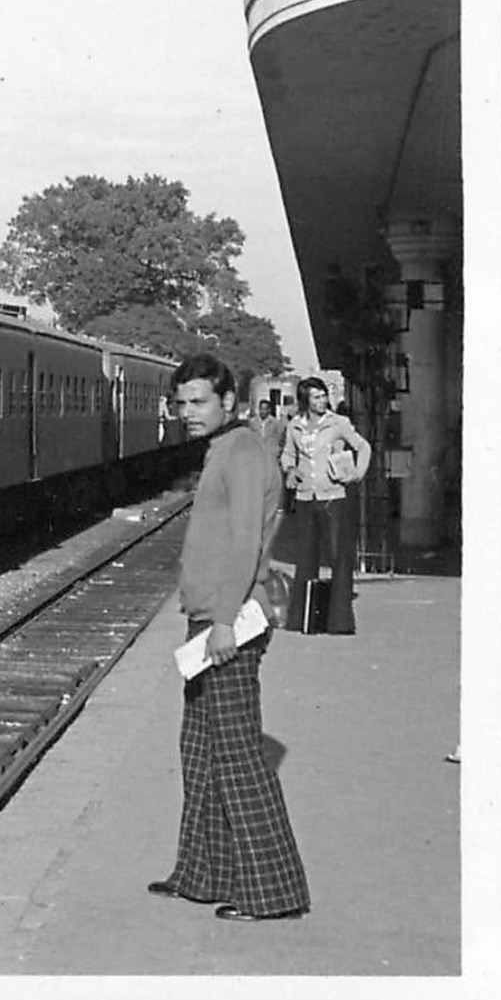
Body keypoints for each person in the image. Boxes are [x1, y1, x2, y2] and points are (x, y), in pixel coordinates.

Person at [149, 352, 309, 922]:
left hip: (230, 620)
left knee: (238, 756)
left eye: (199, 402)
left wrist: (222, 620)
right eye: (181, 402)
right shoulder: (224, 448)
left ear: (229, 403)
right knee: (200, 753)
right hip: (211, 620)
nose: (187, 412)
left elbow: (245, 540)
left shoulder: (241, 452)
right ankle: (203, 873)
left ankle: (272, 893)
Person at [279, 378, 370, 634]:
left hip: (334, 497)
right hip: (306, 497)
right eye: (316, 397)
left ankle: (339, 621)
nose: (322, 401)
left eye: (323, 396)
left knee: (337, 557)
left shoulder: (337, 423)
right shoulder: (294, 426)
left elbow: (363, 447)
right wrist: (289, 469)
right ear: (305, 400)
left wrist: (355, 475)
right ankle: (303, 618)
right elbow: (287, 454)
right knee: (306, 557)